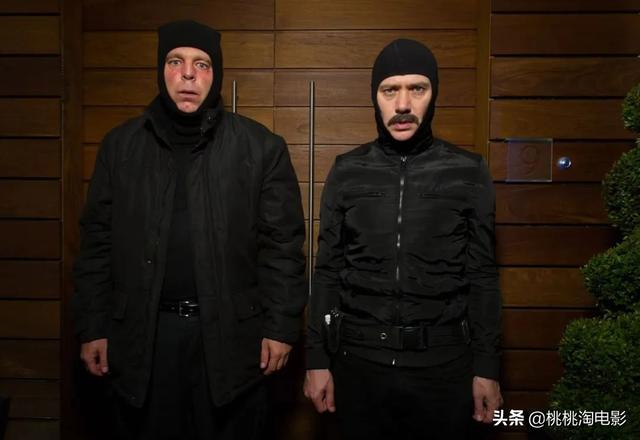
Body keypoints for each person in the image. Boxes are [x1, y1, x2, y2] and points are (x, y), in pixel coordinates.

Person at [73, 20, 306, 440]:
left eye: (201, 64)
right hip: (142, 338)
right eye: (175, 61)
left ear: (216, 74)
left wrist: (280, 327)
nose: (187, 74)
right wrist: (93, 326)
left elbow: (282, 248)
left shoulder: (261, 148)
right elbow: (96, 245)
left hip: (232, 340)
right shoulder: (119, 147)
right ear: (160, 70)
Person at [303, 39, 503, 439]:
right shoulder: (346, 171)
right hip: (359, 366)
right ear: (375, 98)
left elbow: (482, 275)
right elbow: (326, 272)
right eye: (390, 90)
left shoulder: (468, 171)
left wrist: (487, 368)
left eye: (417, 88)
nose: (403, 104)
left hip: (444, 370)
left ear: (434, 95)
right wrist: (316, 359)